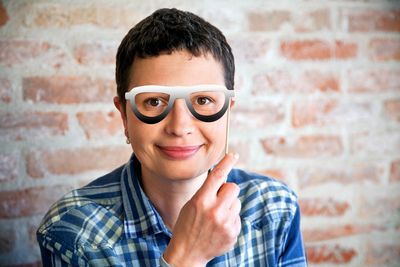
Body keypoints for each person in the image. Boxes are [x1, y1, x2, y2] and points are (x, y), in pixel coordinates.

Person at [37, 8, 307, 267]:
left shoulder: (274, 208)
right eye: (154, 101)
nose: (179, 127)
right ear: (124, 117)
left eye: (202, 100)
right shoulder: (73, 231)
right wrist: (187, 258)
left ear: (227, 112)